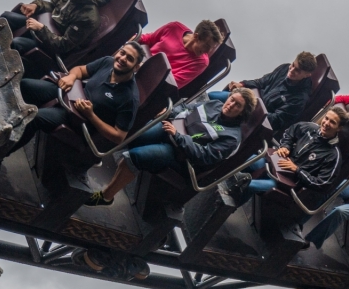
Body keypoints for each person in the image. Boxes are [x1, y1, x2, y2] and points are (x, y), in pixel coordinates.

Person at [84, 88, 258, 207]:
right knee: (134, 133)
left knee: (135, 156)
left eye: (237, 105)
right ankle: (90, 159)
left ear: (242, 112)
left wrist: (179, 137)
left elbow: (204, 156)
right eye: (232, 99)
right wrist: (170, 113)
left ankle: (106, 197)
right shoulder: (215, 105)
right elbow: (186, 108)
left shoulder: (232, 137)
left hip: (182, 157)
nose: (231, 105)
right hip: (172, 131)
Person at [14, 41, 145, 152]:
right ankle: (9, 121)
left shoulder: (130, 98)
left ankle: (0, 153)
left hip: (80, 119)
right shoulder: (108, 62)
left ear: (136, 67)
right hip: (72, 94)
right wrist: (71, 77)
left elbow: (119, 136)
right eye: (122, 53)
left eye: (130, 59)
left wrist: (91, 115)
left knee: (35, 118)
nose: (122, 59)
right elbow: (81, 70)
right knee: (25, 85)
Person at [229, 105, 349, 203]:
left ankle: (228, 206)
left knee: (248, 185)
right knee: (246, 160)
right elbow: (291, 132)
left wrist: (297, 170)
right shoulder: (310, 128)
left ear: (339, 128)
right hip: (274, 163)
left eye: (332, 122)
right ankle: (219, 181)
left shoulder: (333, 155)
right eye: (326, 118)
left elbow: (322, 184)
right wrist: (285, 146)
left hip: (286, 182)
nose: (326, 123)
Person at [2, 0, 112, 59]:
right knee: (6, 17)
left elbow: (63, 46)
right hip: (44, 26)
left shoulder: (87, 17)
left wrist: (40, 29)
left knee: (16, 44)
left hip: (52, 47)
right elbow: (53, 6)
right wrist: (36, 5)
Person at [211, 52, 317, 132]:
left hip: (256, 119)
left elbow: (275, 121)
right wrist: (243, 84)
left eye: (297, 70)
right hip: (250, 102)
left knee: (224, 113)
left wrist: (250, 109)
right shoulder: (285, 68)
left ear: (307, 75)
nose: (291, 70)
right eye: (293, 65)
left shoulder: (299, 100)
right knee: (213, 96)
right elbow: (262, 82)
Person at [138, 20, 222, 89]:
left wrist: (145, 69)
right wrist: (134, 39)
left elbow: (172, 83)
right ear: (196, 37)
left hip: (150, 84)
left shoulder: (202, 62)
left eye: (211, 48)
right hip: (139, 61)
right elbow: (149, 39)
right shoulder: (175, 27)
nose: (207, 51)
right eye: (206, 46)